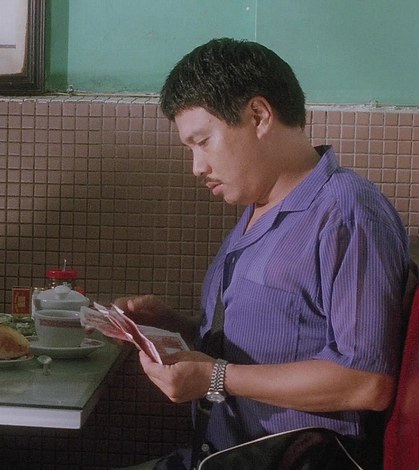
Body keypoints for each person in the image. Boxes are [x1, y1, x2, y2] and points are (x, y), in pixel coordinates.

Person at [115, 38, 415, 469]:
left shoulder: (346, 213)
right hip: (215, 456)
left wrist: (215, 377)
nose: (197, 167)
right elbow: (277, 337)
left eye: (203, 142)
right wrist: (174, 327)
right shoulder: (261, 207)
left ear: (258, 116)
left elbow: (367, 382)